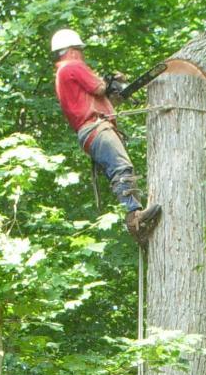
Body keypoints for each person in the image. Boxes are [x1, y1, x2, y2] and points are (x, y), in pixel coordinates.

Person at [51, 29, 162, 247]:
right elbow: (99, 87)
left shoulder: (62, 75)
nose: (82, 56)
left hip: (90, 131)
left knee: (119, 167)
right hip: (95, 127)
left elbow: (99, 97)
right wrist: (109, 80)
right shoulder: (72, 66)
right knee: (121, 168)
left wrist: (113, 92)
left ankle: (136, 220)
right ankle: (134, 216)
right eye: (80, 51)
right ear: (72, 51)